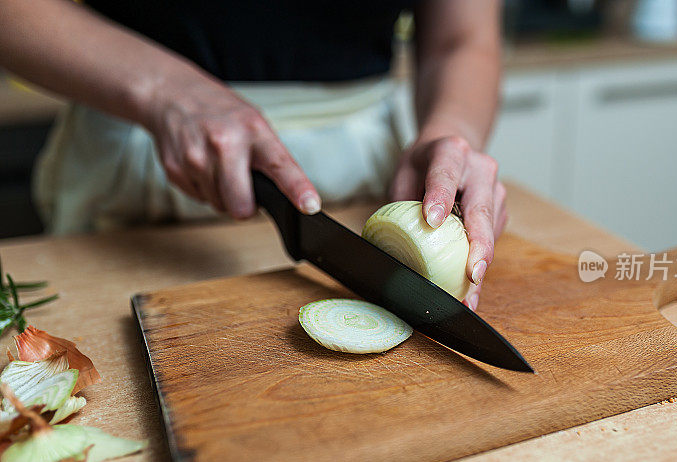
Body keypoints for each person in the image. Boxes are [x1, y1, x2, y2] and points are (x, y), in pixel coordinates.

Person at [0, 0, 506, 310]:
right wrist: (161, 88)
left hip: (363, 188)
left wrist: (450, 131)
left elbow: (462, 40)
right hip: (134, 162)